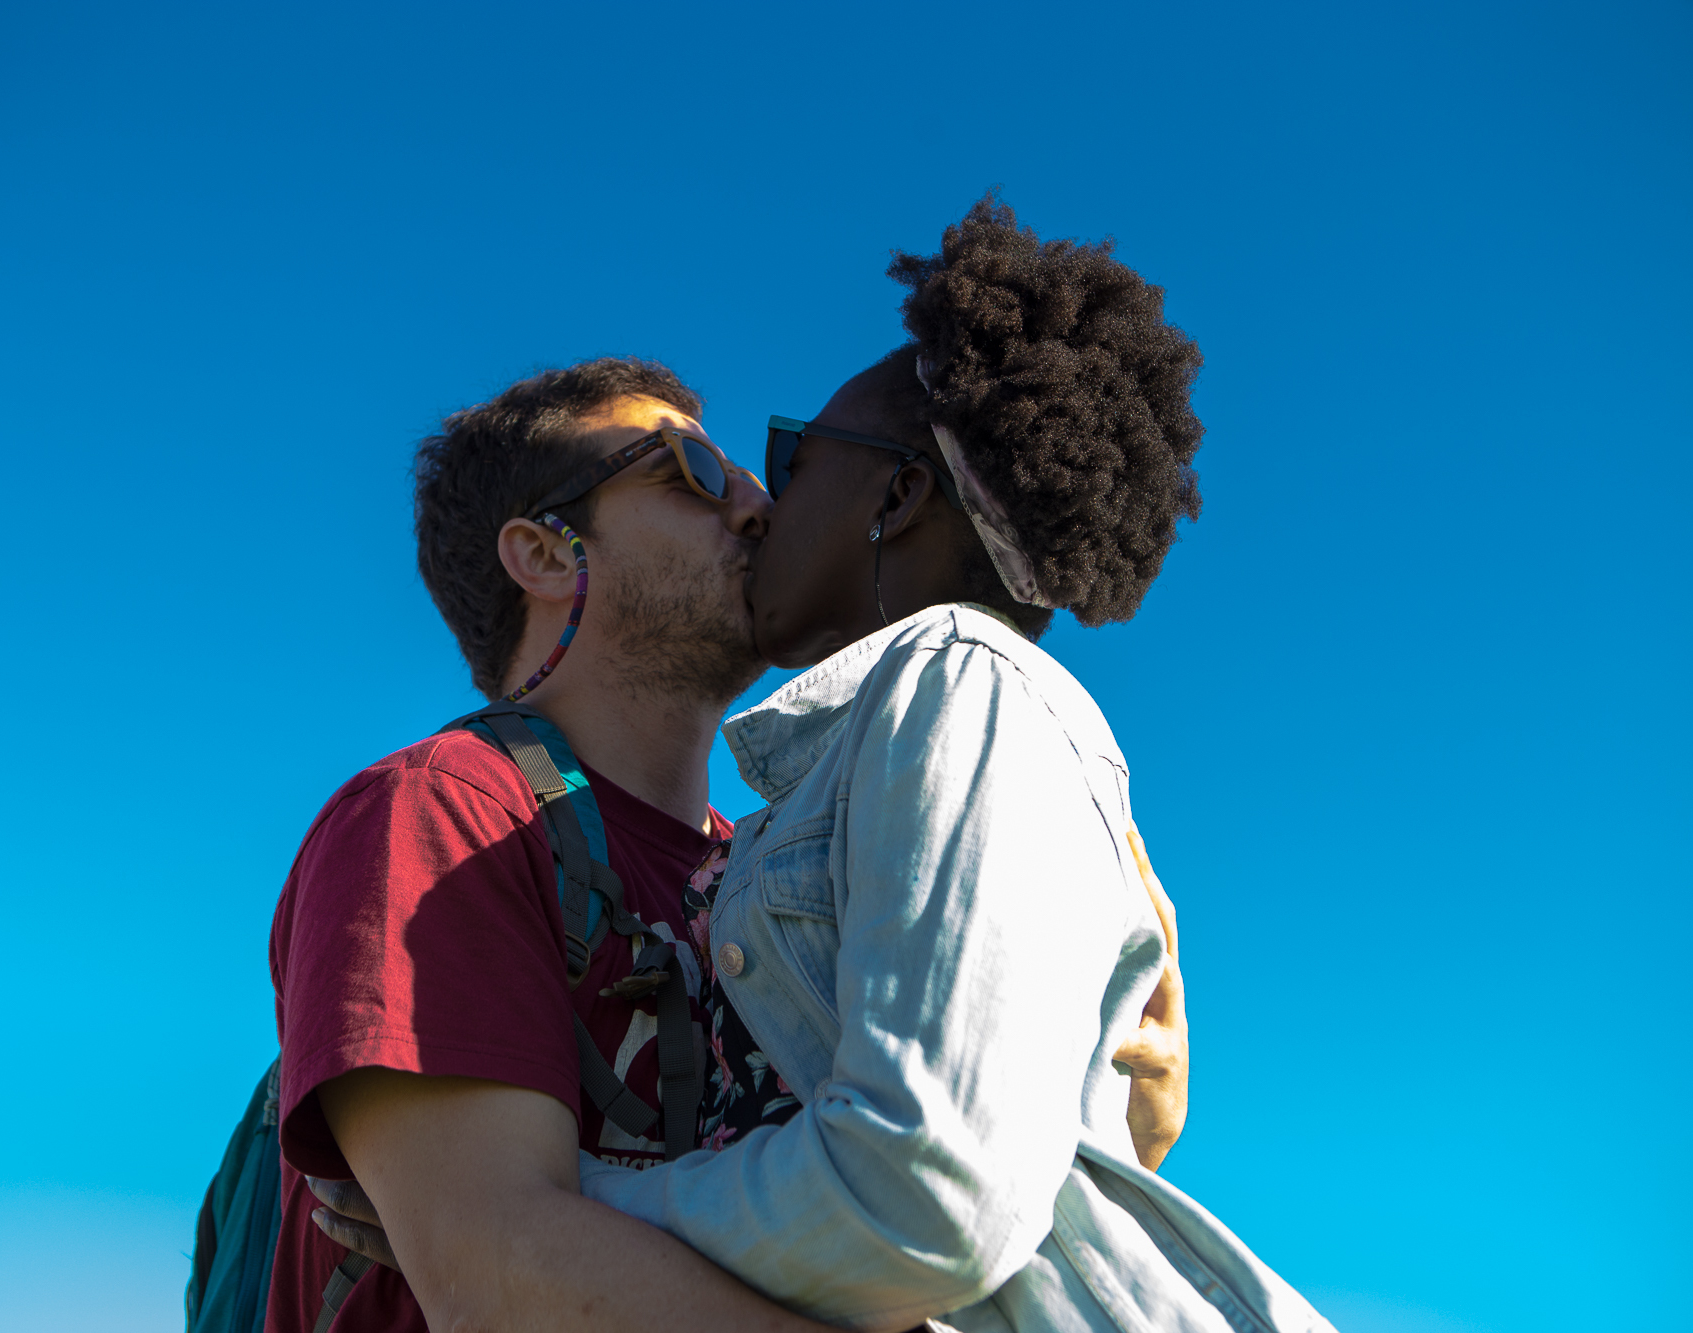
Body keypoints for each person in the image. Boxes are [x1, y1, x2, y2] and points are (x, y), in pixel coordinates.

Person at [311, 196, 1334, 1332]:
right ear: (547, 552)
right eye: (692, 471)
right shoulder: (448, 815)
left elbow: (937, 1183)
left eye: (765, 471)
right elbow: (500, 1276)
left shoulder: (783, 871)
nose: (752, 503)